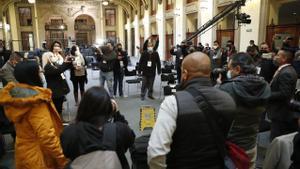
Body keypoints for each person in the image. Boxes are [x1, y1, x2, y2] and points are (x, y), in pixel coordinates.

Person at [148, 52, 236, 169]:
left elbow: (156, 152)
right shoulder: (229, 100)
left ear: (184, 74)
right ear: (209, 73)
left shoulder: (173, 102)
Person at [0, 61, 67, 169]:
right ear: (33, 75)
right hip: (40, 157)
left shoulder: (16, 95)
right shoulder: (36, 102)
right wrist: (63, 159)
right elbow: (47, 136)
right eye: (39, 71)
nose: (42, 73)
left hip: (25, 152)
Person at [60, 86, 135, 169]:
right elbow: (131, 139)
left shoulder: (69, 133)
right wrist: (117, 113)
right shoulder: (119, 130)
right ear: (109, 108)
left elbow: (67, 153)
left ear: (82, 107)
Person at [219, 52, 271, 168]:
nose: (228, 72)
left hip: (231, 146)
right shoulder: (265, 86)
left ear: (237, 69)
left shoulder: (228, 88)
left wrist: (218, 87)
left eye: (229, 68)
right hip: (251, 142)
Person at [268, 49, 298, 140]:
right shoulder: (284, 70)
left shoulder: (287, 72)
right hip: (279, 111)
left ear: (284, 58)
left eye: (278, 55)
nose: (275, 57)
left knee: (276, 139)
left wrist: (267, 94)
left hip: (281, 112)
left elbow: (284, 94)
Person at [42, 41, 72, 115]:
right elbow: (58, 70)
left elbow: (61, 68)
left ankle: (59, 119)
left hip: (60, 86)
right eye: (51, 56)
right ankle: (57, 121)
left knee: (59, 106)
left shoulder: (54, 64)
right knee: (56, 108)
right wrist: (65, 63)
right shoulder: (47, 67)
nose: (53, 57)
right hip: (55, 89)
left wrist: (69, 63)